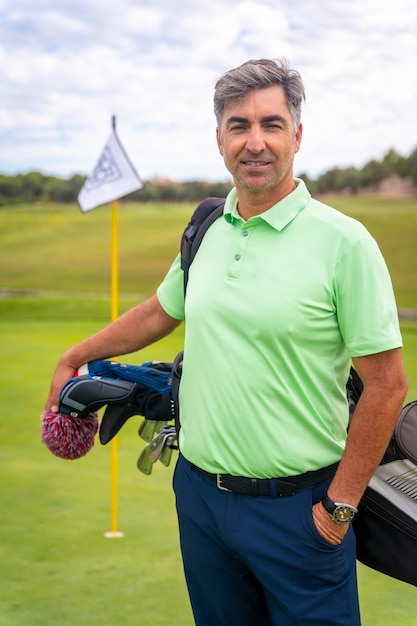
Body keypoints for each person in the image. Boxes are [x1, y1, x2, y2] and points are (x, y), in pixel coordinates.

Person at [46, 58, 408, 625]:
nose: (255, 141)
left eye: (271, 124)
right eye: (239, 125)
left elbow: (387, 387)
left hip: (302, 511)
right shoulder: (207, 228)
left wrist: (338, 509)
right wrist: (77, 355)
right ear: (219, 139)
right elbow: (160, 311)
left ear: (297, 135)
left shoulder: (345, 244)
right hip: (200, 500)